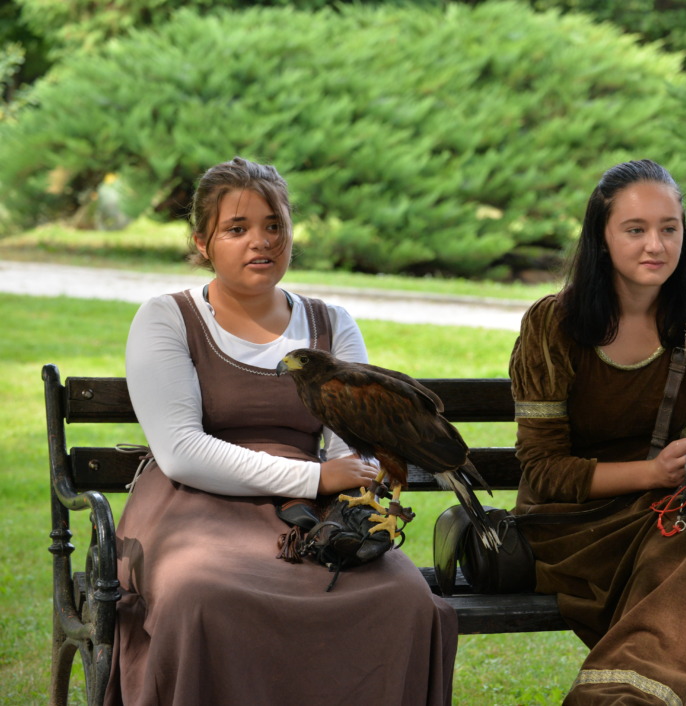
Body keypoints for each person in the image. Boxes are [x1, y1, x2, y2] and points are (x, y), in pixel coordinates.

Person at [106, 157, 457, 705]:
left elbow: (355, 448)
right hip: (191, 504)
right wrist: (316, 477)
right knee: (202, 593)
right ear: (202, 242)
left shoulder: (331, 323)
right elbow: (181, 451)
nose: (262, 241)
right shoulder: (167, 318)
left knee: (401, 597)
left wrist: (342, 487)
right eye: (237, 228)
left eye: (274, 225)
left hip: (311, 511)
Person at [508, 159, 686, 705]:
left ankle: (627, 697)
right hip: (575, 527)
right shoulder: (554, 324)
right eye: (635, 229)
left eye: (669, 228)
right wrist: (654, 472)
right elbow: (543, 471)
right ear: (601, 238)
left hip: (669, 515)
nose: (656, 245)